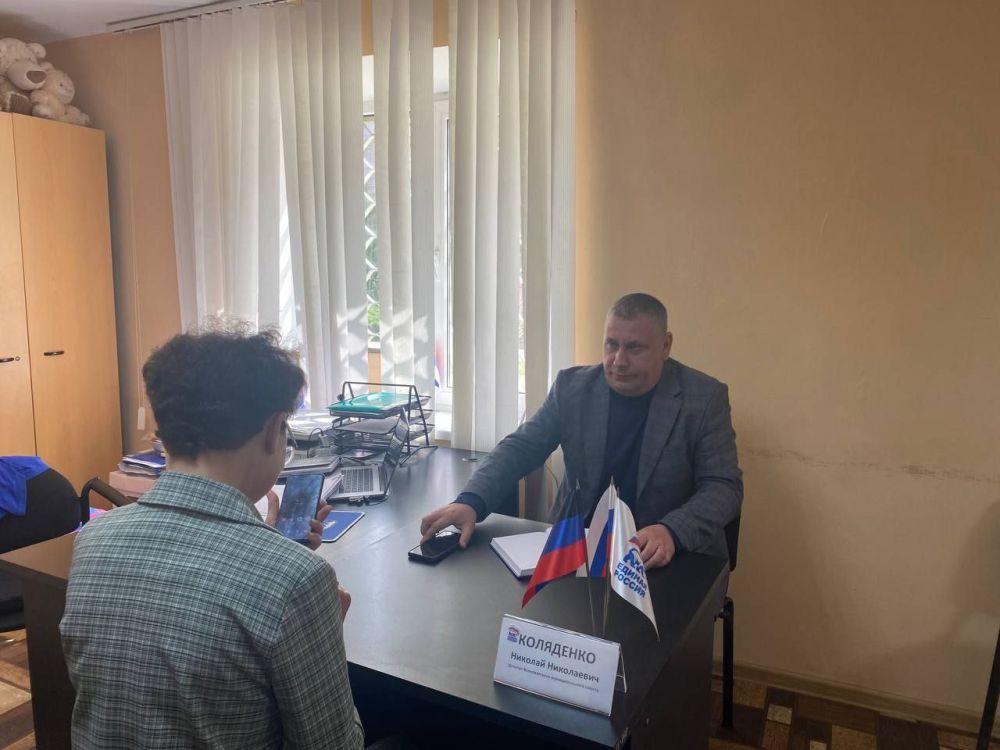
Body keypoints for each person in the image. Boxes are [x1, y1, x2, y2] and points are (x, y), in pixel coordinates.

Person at [60, 323, 364, 749]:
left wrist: (267, 543)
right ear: (274, 429)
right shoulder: (297, 580)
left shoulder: (93, 540)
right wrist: (320, 636)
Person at [420, 292, 742, 569]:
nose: (618, 361)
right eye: (611, 344)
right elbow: (522, 447)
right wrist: (471, 501)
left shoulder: (703, 399)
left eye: (634, 348)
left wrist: (671, 531)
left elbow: (723, 486)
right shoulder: (572, 388)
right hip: (576, 550)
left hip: (661, 558)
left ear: (665, 345)